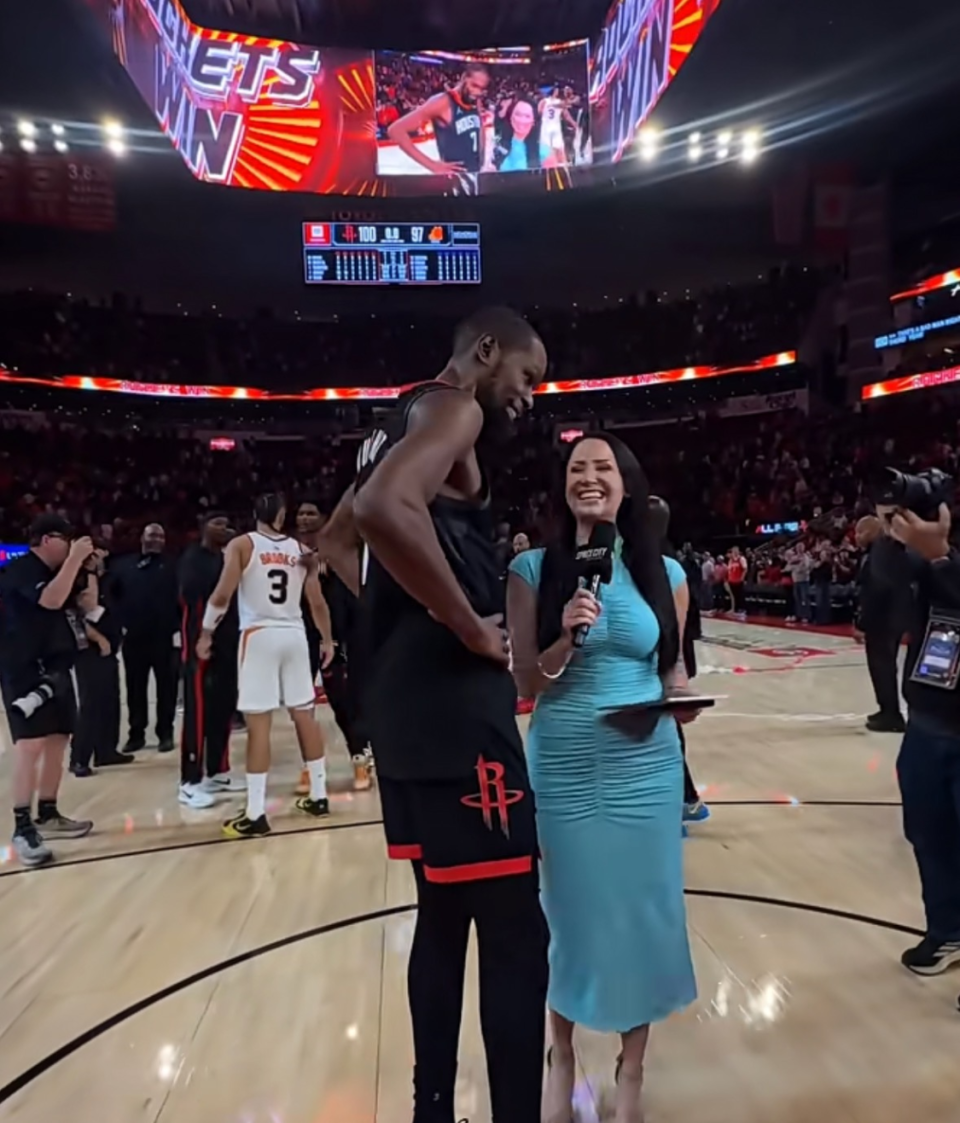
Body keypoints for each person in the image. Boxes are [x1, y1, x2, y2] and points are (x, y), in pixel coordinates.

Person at [319, 306, 549, 1123]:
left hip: (400, 705)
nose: (529, 396)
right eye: (526, 375)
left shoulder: (394, 422)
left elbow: (336, 540)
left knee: (443, 916)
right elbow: (382, 510)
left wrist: (401, 612)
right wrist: (460, 622)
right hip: (457, 707)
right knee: (516, 931)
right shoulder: (455, 408)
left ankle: (433, 1110)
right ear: (486, 351)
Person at [507, 435, 698, 1123]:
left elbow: (672, 668)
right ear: (563, 487)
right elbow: (527, 680)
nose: (589, 478)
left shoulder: (666, 573)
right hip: (563, 759)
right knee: (568, 910)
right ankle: (560, 1053)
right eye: (576, 469)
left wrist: (683, 700)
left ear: (626, 484)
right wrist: (565, 634)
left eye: (603, 468)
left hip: (644, 763)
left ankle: (633, 1065)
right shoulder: (532, 568)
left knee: (642, 911)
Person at [198, 494, 335, 837]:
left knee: (259, 725)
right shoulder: (301, 550)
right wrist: (328, 640)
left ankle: (256, 813)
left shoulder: (242, 544)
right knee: (305, 715)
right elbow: (317, 602)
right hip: (295, 635)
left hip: (259, 635)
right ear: (282, 515)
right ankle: (319, 796)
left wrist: (206, 632)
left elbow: (222, 595)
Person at [881, 502, 960, 979]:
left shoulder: (941, 556)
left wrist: (941, 559)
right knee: (929, 835)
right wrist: (892, 534)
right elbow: (888, 583)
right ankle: (948, 929)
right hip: (929, 717)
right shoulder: (935, 549)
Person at [0, 514, 95, 867]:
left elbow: (84, 603)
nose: (70, 545)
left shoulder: (60, 572)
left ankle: (49, 812)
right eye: (65, 539)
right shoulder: (22, 569)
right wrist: (74, 560)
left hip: (56, 667)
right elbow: (50, 601)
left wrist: (86, 570)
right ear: (45, 539)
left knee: (58, 739)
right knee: (30, 745)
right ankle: (22, 826)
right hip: (24, 670)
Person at [296, 498, 372, 792]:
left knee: (342, 701)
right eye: (301, 513)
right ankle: (310, 766)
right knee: (302, 706)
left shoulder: (339, 551)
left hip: (335, 635)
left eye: (311, 513)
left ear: (323, 518)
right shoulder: (290, 552)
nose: (304, 518)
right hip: (300, 634)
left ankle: (359, 758)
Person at [178, 511, 242, 809]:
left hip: (228, 643)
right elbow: (191, 601)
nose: (224, 528)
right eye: (218, 523)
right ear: (203, 527)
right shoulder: (193, 559)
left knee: (223, 708)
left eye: (227, 524)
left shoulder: (227, 559)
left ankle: (217, 770)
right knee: (198, 712)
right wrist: (201, 638)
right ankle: (189, 781)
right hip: (200, 643)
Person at [110, 523, 179, 753]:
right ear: (142, 537)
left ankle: (165, 733)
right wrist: (120, 625)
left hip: (165, 638)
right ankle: (136, 734)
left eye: (160, 536)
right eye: (152, 535)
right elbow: (112, 596)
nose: (156, 539)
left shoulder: (173, 566)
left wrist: (177, 628)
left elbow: (182, 599)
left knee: (167, 689)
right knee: (135, 688)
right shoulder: (123, 565)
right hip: (134, 638)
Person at [69, 545, 129, 776]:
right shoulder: (79, 579)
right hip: (89, 648)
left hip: (109, 647)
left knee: (110, 700)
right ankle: (79, 758)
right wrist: (98, 638)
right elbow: (83, 612)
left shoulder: (107, 578)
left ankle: (106, 751)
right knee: (91, 704)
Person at [853, 515, 909, 733]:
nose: (856, 537)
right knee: (886, 666)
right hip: (892, 617)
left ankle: (890, 714)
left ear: (869, 532)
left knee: (881, 667)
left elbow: (876, 590)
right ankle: (887, 709)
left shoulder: (879, 552)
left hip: (882, 619)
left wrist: (862, 623)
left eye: (859, 532)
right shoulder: (887, 550)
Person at [386, 62, 489, 179]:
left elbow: (479, 127)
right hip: (453, 181)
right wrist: (432, 166)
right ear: (464, 78)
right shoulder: (442, 102)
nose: (478, 92)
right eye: (474, 85)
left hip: (475, 175)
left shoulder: (475, 101)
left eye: (482, 88)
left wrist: (482, 161)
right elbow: (395, 130)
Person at [492, 97, 540, 172]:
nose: (522, 120)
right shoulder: (501, 142)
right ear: (511, 117)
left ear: (533, 121)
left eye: (527, 116)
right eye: (518, 114)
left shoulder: (541, 148)